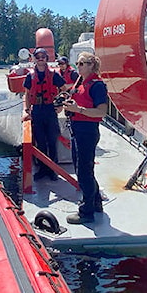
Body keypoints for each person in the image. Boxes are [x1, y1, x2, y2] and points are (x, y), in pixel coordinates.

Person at [61, 52, 108, 224]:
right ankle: (95, 202)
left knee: (83, 171)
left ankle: (86, 211)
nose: (78, 66)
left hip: (87, 131)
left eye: (82, 63)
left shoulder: (97, 86)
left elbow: (101, 111)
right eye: (78, 63)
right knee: (84, 168)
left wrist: (78, 109)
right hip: (78, 130)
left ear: (91, 66)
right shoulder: (82, 83)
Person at [23, 47, 67, 180]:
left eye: (43, 57)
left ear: (47, 59)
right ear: (34, 59)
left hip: (50, 109)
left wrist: (60, 106)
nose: (40, 59)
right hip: (37, 110)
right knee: (40, 142)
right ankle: (42, 169)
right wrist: (26, 110)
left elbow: (64, 90)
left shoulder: (54, 75)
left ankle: (53, 170)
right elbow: (26, 94)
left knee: (52, 141)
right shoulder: (30, 76)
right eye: (38, 57)